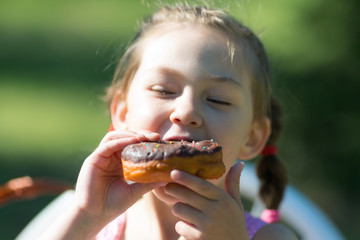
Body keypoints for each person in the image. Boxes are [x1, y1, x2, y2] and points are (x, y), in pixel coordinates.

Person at [40, 4, 297, 240]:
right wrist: (87, 218)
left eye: (218, 100)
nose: (186, 112)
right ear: (122, 114)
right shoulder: (91, 228)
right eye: (163, 90)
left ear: (252, 137)